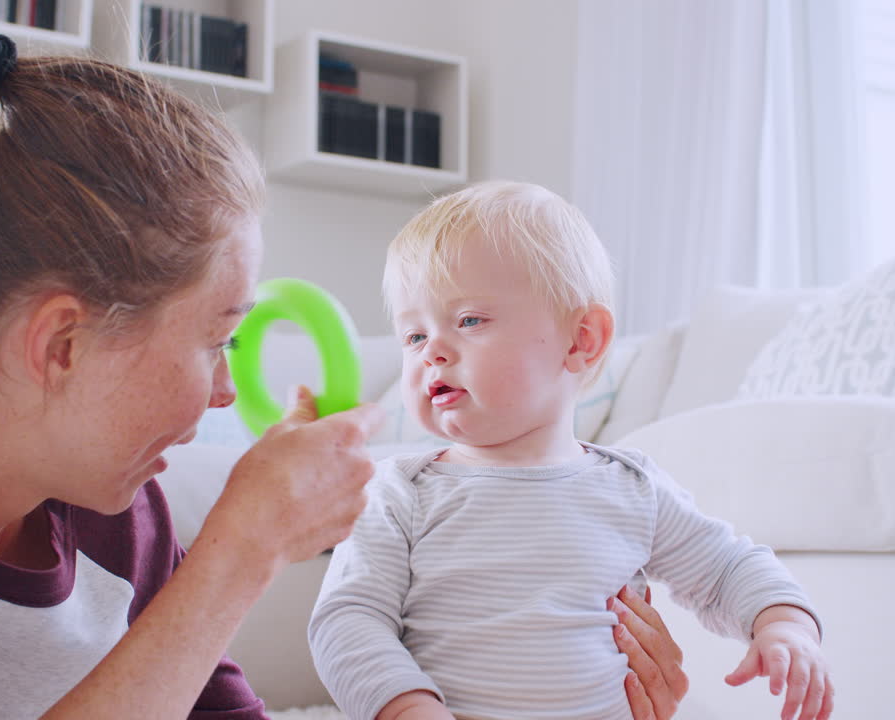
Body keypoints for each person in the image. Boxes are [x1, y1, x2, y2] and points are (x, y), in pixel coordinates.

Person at [0, 18, 687, 720]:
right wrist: (241, 553)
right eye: (216, 340)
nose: (222, 391)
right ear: (61, 345)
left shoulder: (119, 517)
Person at [309, 181, 834, 720]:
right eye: (413, 336)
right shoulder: (400, 492)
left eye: (468, 320)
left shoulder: (633, 488)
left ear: (582, 339)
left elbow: (729, 569)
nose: (433, 351)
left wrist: (785, 625)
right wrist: (406, 707)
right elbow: (348, 618)